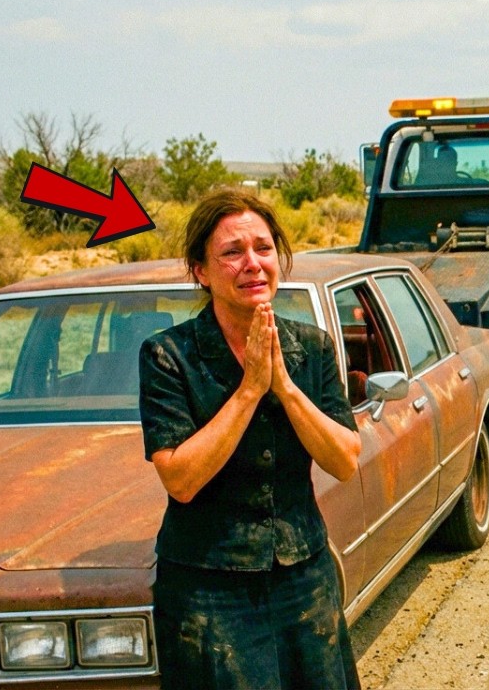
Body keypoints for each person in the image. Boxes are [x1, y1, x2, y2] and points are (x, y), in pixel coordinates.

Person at [138, 189, 363, 689]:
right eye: (232, 252)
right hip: (207, 587)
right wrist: (249, 390)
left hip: (303, 577)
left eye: (263, 248)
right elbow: (180, 479)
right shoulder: (168, 356)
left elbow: (345, 459)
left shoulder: (311, 346)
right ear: (201, 271)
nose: (252, 264)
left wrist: (283, 385)